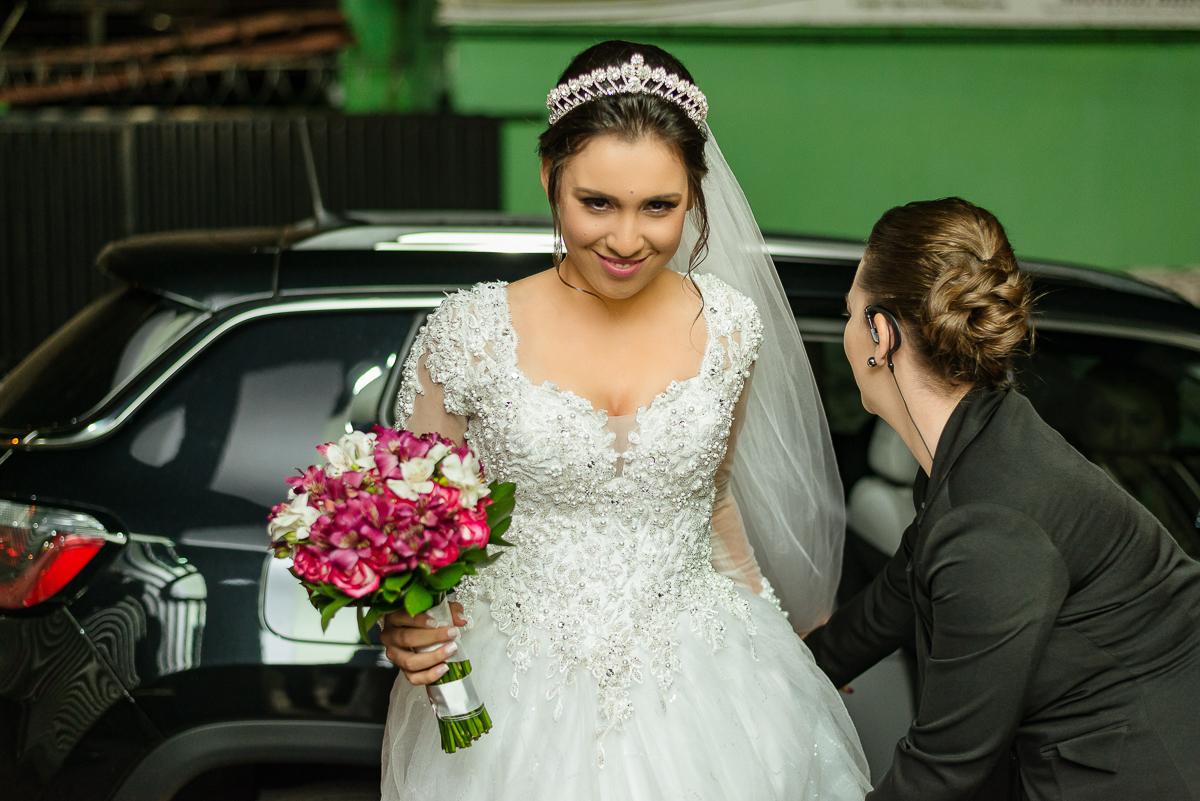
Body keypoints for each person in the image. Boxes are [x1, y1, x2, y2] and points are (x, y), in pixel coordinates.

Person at [376, 41, 871, 800]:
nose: (627, 239)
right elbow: (408, 529)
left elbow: (713, 500)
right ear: (550, 178)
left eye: (659, 206)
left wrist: (793, 643)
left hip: (708, 689)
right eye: (597, 202)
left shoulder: (731, 328)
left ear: (694, 195)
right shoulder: (470, 333)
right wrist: (400, 620)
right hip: (511, 700)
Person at [805, 196, 1200, 800]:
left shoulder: (991, 520)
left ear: (880, 335)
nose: (847, 336)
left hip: (1134, 774)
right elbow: (897, 593)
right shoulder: (982, 439)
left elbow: (944, 767)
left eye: (851, 314)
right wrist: (789, 676)